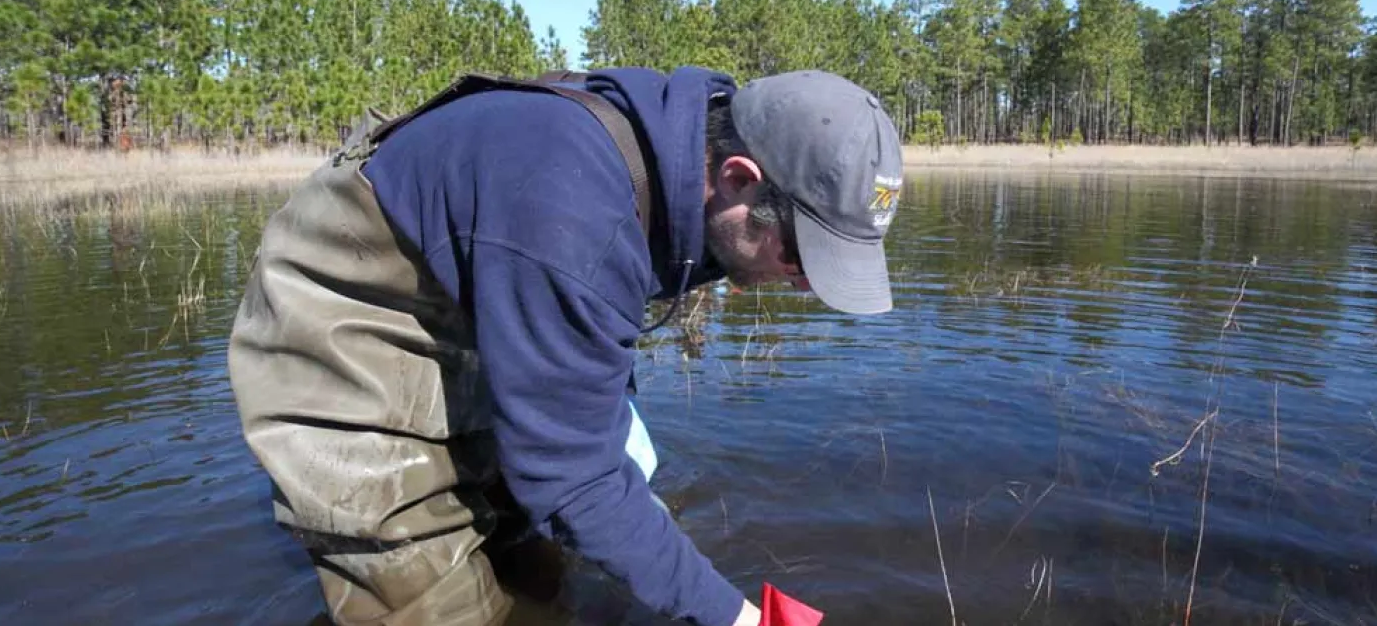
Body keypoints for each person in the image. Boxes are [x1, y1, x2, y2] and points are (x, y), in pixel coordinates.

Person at [225, 65, 904, 626]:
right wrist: (737, 618)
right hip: (353, 301)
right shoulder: (575, 212)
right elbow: (572, 477)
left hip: (480, 279)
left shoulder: (686, 144)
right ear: (736, 178)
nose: (808, 286)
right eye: (800, 254)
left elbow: (578, 354)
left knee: (532, 547)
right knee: (428, 594)